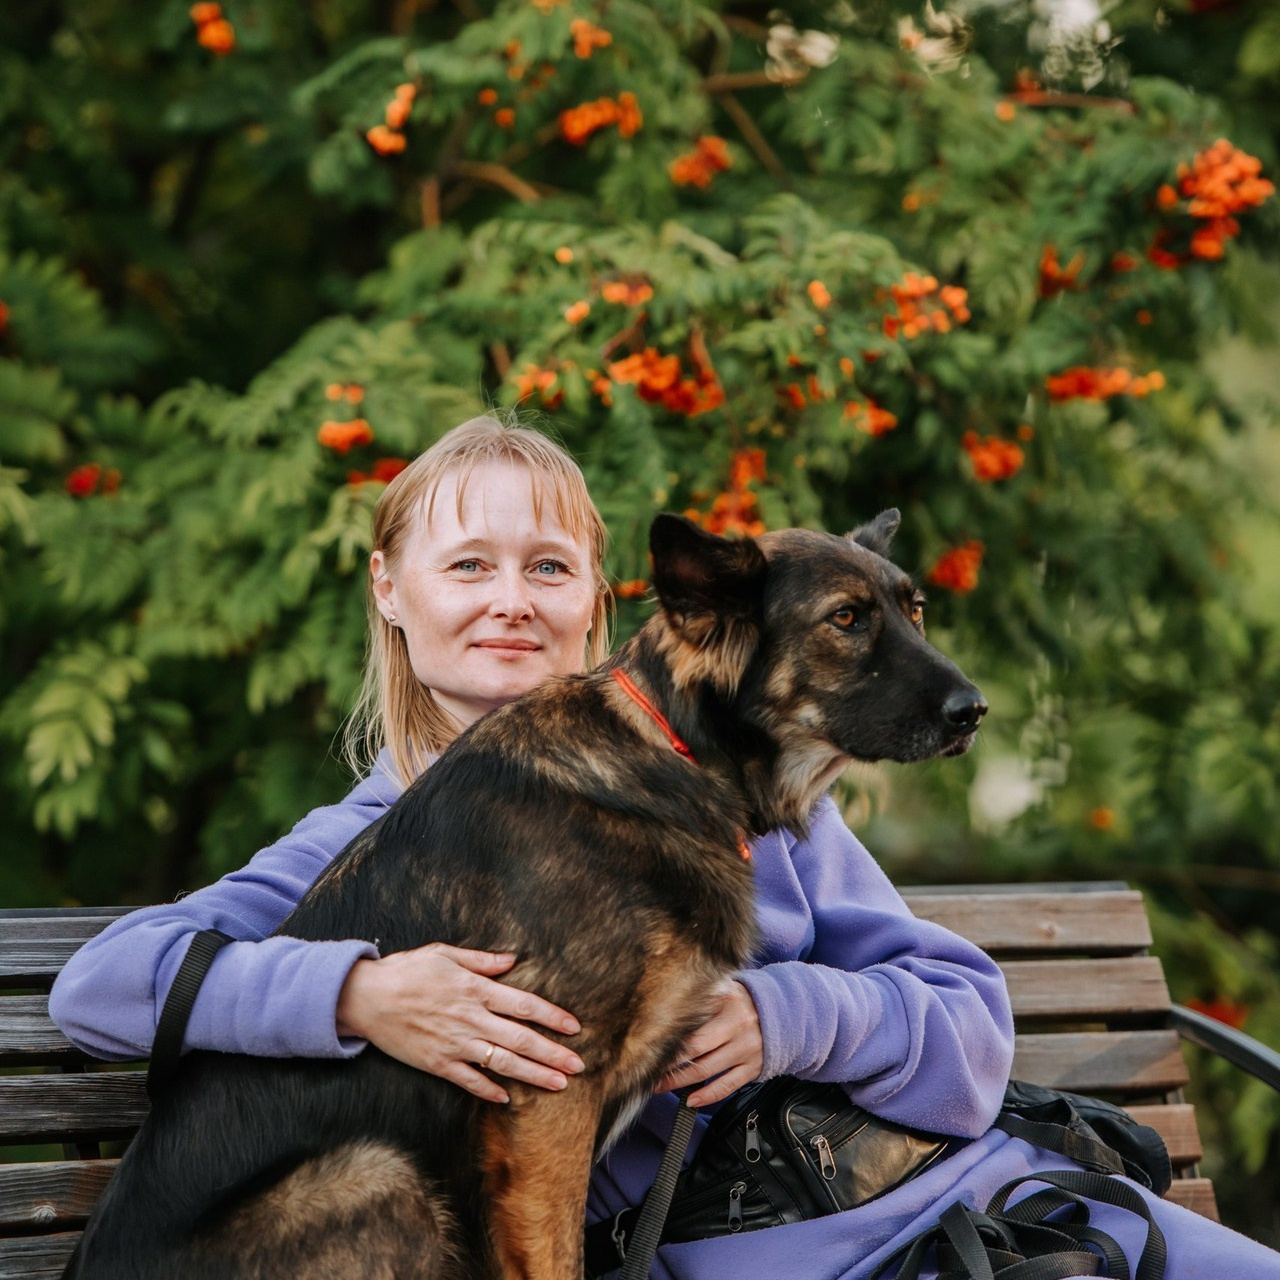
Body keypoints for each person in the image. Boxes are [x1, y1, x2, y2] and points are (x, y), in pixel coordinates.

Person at [50, 414, 1280, 1279]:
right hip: (749, 1236)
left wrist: (785, 1014)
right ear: (390, 589)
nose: (509, 597)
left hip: (952, 1189)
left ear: (604, 598)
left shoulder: (757, 797)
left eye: (548, 566)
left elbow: (967, 1028)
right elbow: (97, 983)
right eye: (465, 563)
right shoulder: (368, 842)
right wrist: (367, 991)